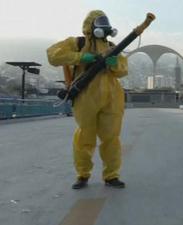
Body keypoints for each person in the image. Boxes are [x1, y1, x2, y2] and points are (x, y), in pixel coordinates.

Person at [47, 10, 128, 189]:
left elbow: (123, 69)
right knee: (85, 137)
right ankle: (83, 175)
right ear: (91, 26)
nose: (104, 25)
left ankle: (111, 175)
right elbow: (53, 55)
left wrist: (116, 64)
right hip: (85, 97)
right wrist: (81, 57)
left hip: (112, 98)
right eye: (99, 22)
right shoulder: (78, 43)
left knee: (111, 138)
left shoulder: (113, 46)